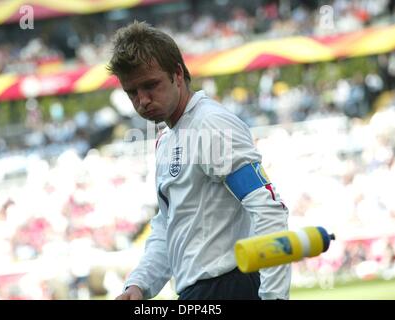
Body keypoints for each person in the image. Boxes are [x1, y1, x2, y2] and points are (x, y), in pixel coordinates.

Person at [108, 21, 291, 300]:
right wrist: (138, 284)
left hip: (230, 286)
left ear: (177, 74)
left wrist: (275, 297)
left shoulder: (210, 125)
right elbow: (169, 226)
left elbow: (268, 207)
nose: (142, 100)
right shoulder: (167, 137)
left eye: (150, 85)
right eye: (132, 92)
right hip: (200, 293)